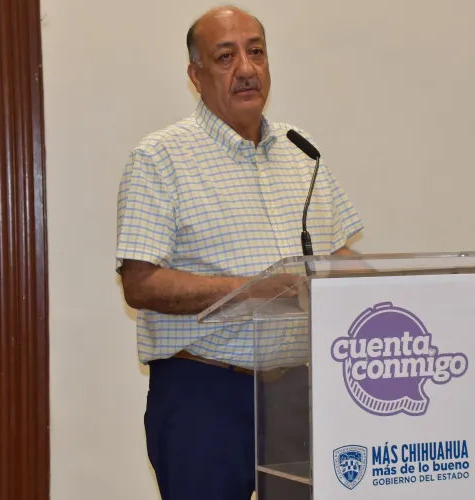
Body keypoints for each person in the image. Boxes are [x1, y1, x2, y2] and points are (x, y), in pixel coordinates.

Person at [115, 5, 363, 500]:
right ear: (196, 75)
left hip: (297, 393)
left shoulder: (302, 151)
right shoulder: (160, 158)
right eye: (225, 57)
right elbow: (140, 283)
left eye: (256, 52)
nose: (246, 69)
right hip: (204, 395)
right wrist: (250, 291)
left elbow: (338, 255)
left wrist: (405, 290)